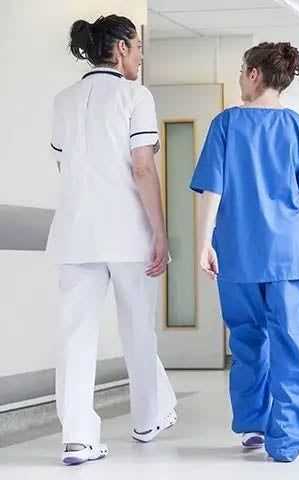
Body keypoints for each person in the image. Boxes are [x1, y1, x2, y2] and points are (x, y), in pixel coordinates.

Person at [190, 42, 299, 463]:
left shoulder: (226, 124)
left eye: (241, 71)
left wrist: (204, 243)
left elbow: (212, 191)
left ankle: (254, 425)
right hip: (288, 254)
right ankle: (287, 439)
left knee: (247, 340)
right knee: (289, 343)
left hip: (237, 250)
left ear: (255, 74)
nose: (239, 78)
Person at [49, 15, 177, 466]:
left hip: (74, 234)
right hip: (127, 232)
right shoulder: (135, 96)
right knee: (138, 327)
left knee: (75, 336)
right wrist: (160, 231)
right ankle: (147, 418)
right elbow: (143, 167)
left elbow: (66, 169)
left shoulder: (63, 100)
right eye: (138, 46)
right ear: (121, 48)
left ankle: (77, 438)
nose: (141, 55)